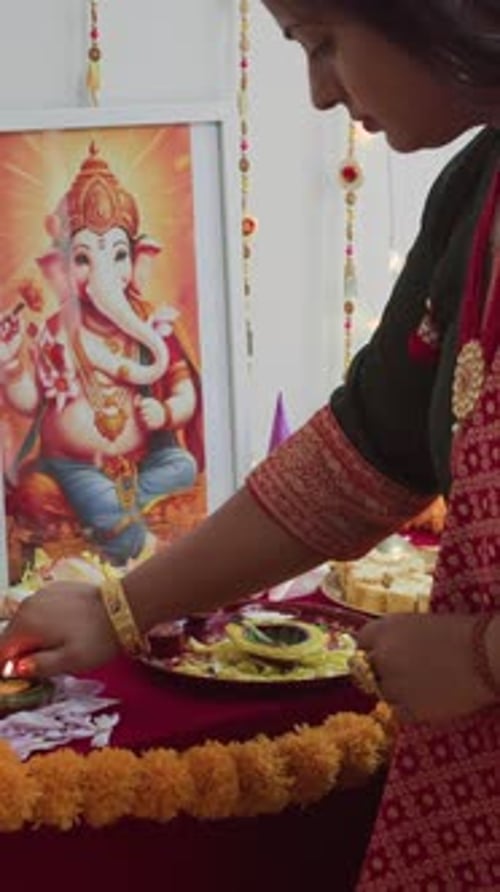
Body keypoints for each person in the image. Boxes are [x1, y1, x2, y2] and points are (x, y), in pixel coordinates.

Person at [1, 0, 500, 888]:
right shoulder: (477, 190)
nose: (318, 93)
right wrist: (120, 609)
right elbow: (359, 459)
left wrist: (483, 658)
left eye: (322, 43)